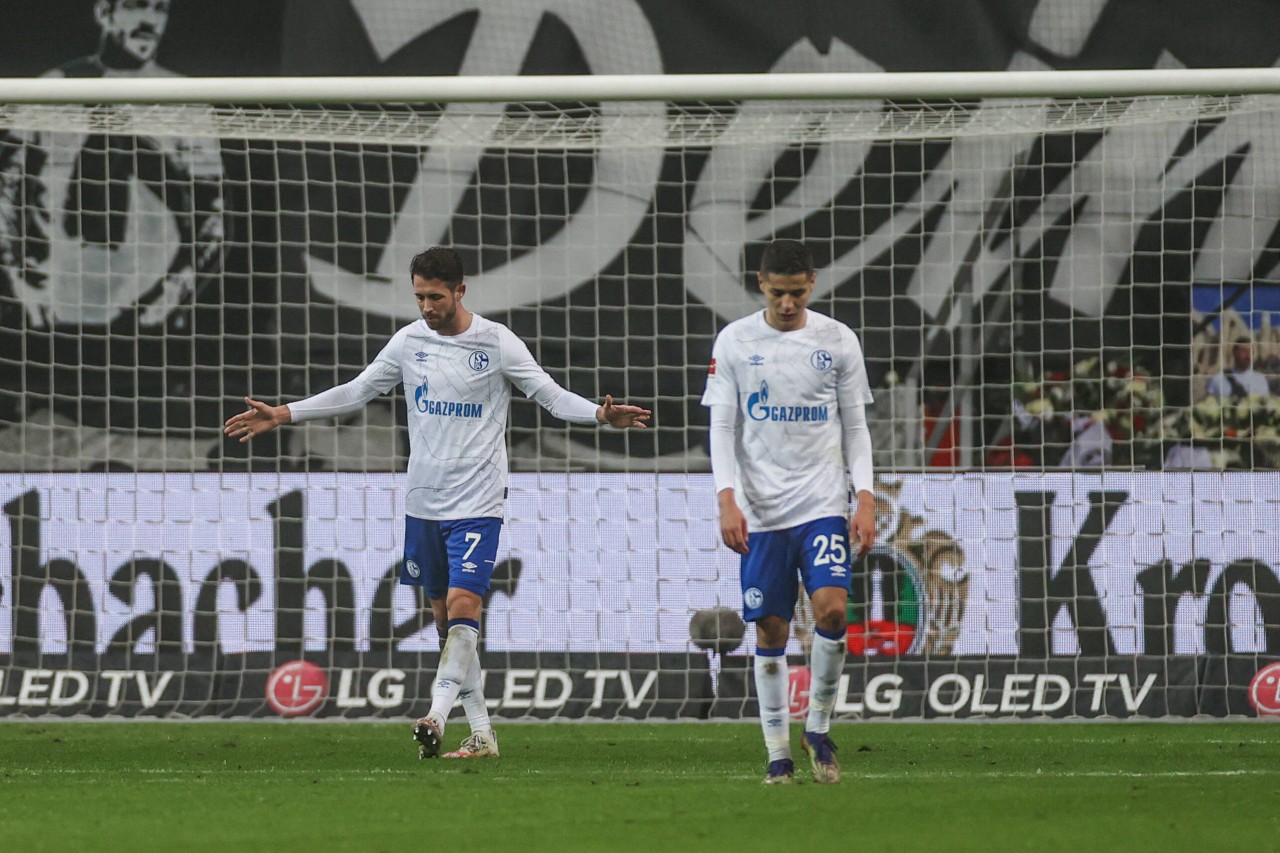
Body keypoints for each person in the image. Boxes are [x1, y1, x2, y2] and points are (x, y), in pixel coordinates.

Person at [224, 247, 651, 759]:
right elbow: (357, 392)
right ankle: (483, 735)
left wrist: (600, 417)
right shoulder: (409, 342)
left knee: (464, 606)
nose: (426, 306)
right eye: (419, 297)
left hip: (478, 499)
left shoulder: (495, 342)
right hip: (423, 502)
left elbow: (551, 396)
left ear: (460, 291)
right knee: (448, 627)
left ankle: (436, 714)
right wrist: (285, 413)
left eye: (435, 297)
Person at [701, 239, 876, 785]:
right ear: (761, 285)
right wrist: (726, 497)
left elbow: (855, 427)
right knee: (771, 629)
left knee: (831, 612)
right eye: (778, 294)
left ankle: (818, 729)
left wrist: (865, 495)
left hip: (823, 502)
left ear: (812, 284)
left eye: (796, 293)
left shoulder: (837, 340)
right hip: (761, 510)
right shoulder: (734, 341)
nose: (786, 304)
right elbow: (723, 428)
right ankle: (778, 752)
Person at [1207, 335, 1270, 400]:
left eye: (1251, 352)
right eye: (1244, 351)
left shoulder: (1260, 380)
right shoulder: (1218, 379)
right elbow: (1208, 405)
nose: (1248, 356)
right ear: (1234, 352)